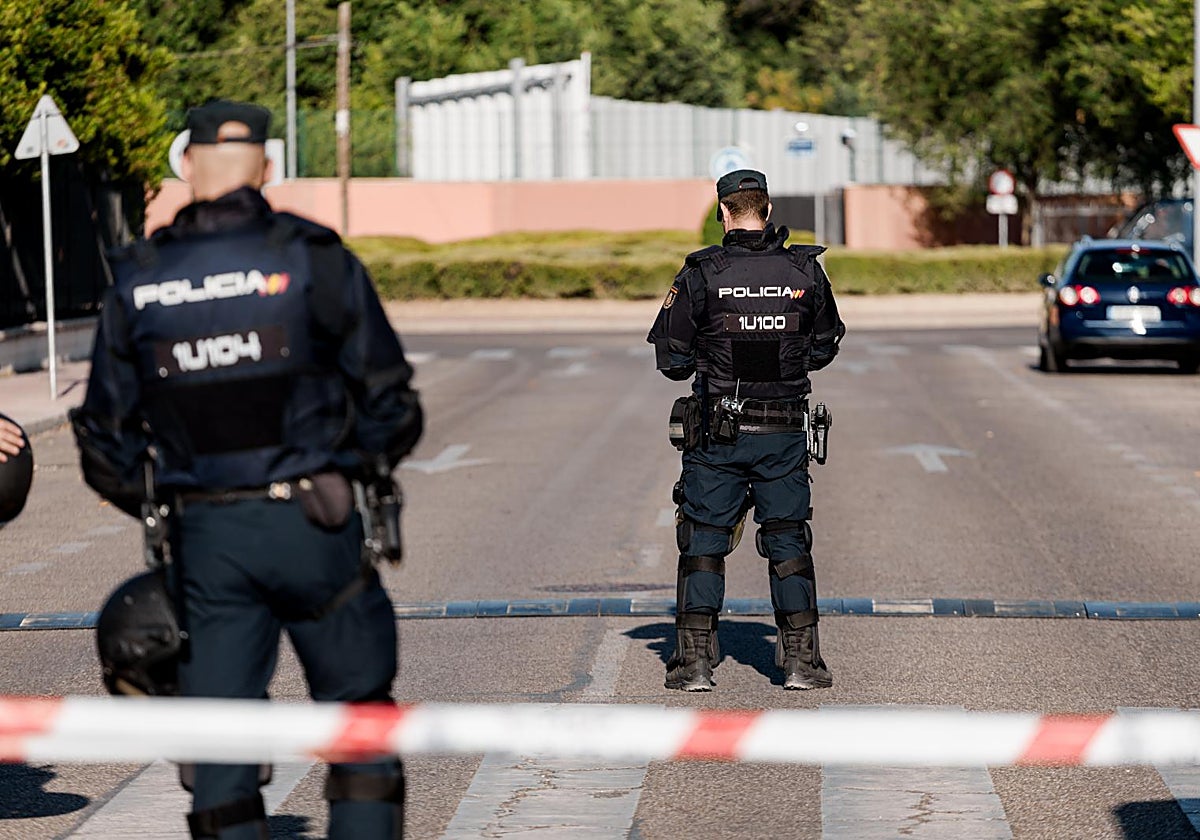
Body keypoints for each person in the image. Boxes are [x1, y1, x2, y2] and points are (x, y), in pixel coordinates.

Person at [71, 100, 422, 839]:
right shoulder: (313, 257)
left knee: (221, 745)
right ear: (266, 168)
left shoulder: (139, 279)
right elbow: (391, 402)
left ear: (185, 165)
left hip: (207, 538)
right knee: (359, 722)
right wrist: (351, 467)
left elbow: (103, 438)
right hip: (316, 520)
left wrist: (161, 500)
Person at [647, 169, 845, 692]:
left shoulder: (701, 274)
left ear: (723, 212)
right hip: (783, 433)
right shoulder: (805, 270)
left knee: (703, 540)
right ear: (769, 209)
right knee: (788, 540)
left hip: (719, 435)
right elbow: (825, 346)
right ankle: (801, 661)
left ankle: (694, 663)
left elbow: (672, 360)